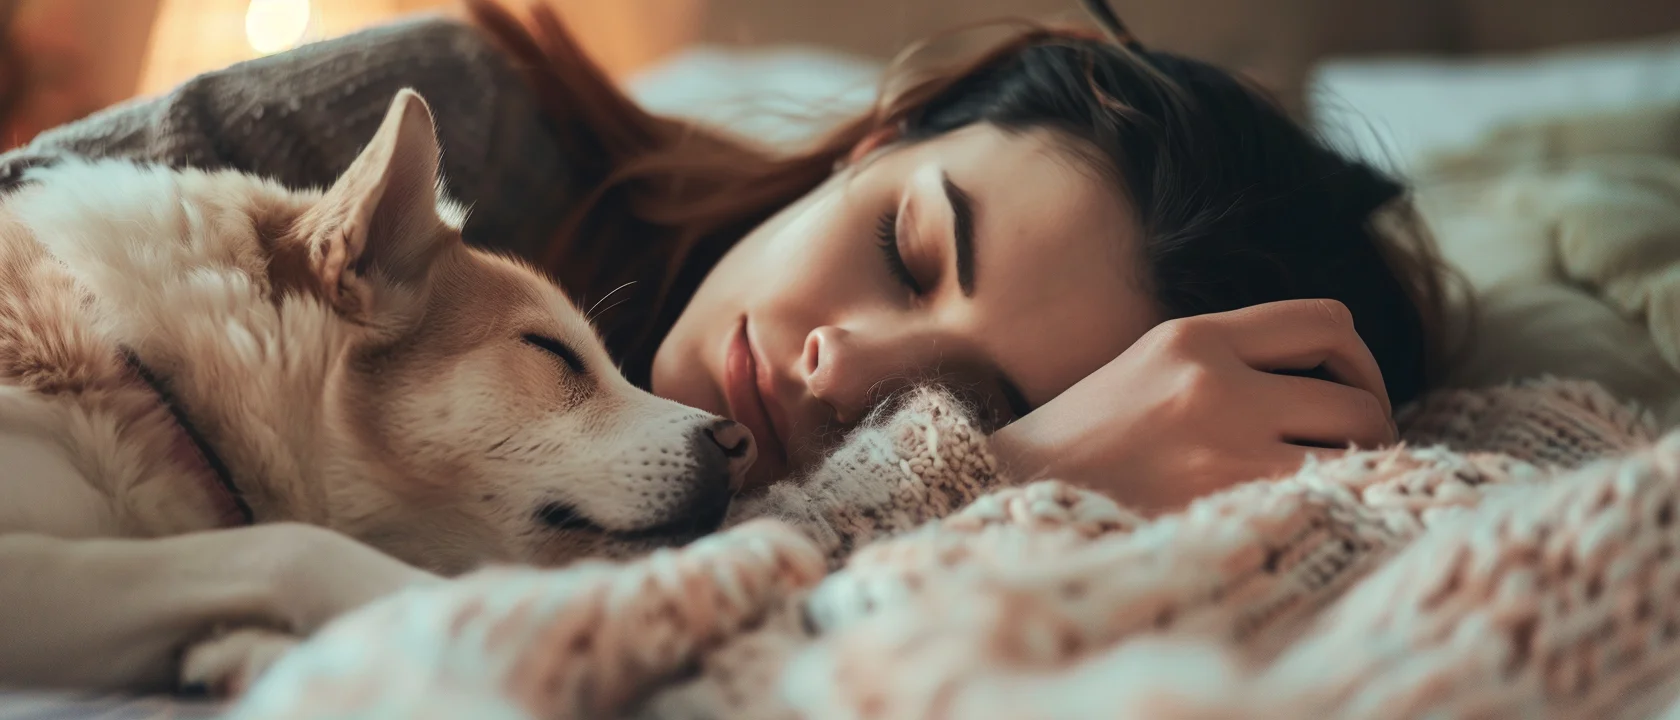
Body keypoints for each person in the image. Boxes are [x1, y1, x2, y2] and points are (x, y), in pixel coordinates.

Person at [0, 0, 1449, 514]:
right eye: (908, 247)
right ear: (867, 146)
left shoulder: (933, 552)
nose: (845, 367)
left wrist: (1006, 480)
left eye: (984, 401)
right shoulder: (463, 136)